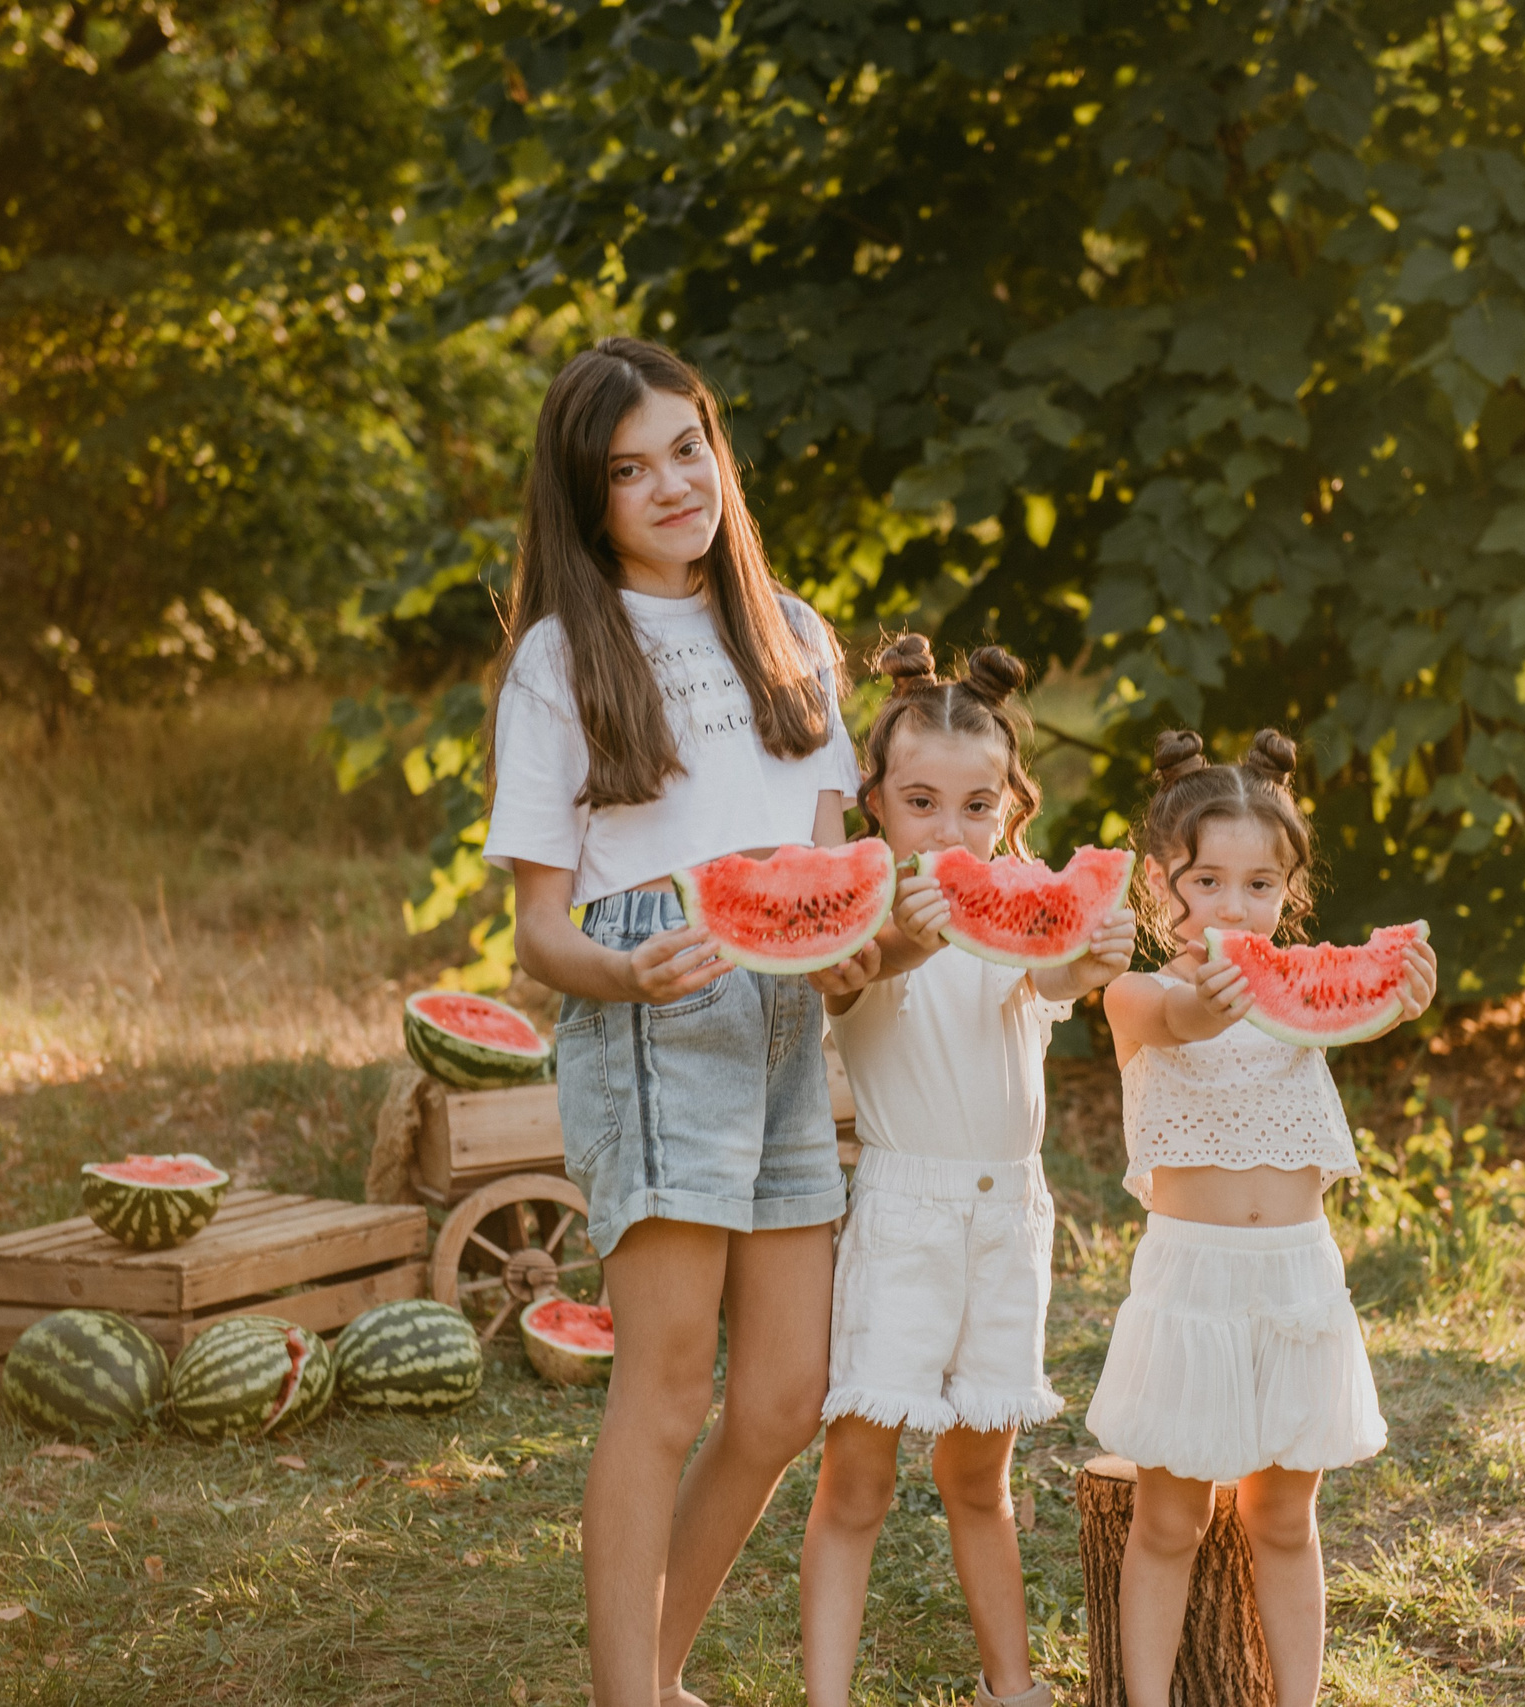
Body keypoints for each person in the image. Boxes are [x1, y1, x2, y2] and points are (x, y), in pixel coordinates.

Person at [482, 336, 866, 1707]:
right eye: (629, 470)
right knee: (665, 1385)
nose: (671, 485)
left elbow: (830, 867)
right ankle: (628, 1699)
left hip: (786, 1022)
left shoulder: (795, 633)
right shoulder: (559, 658)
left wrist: (850, 955)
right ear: (588, 502)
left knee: (784, 1394)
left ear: (720, 454)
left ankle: (652, 1669)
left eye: (687, 450)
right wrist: (625, 975)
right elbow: (539, 929)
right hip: (655, 1006)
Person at [798, 636, 1134, 1707]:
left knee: (981, 1482)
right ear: (876, 806)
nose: (950, 831)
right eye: (921, 803)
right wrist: (910, 935)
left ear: (1009, 806)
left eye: (976, 807)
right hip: (903, 1217)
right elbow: (840, 987)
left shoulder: (1024, 895)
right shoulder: (861, 914)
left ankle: (1012, 1689)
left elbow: (1060, 970)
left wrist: (1099, 949)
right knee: (857, 1482)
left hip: (1009, 1224)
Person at [1088, 729, 1439, 1707]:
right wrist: (1223, 994)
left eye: (1259, 885)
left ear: (1290, 892)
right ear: (1159, 884)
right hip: (1190, 1283)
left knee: (1283, 1518)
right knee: (1170, 1521)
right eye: (1206, 882)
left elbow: (1348, 1001)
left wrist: (1397, 996)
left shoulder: (1299, 1004)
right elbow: (1191, 1019)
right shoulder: (1137, 996)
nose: (1234, 907)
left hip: (1298, 1278)